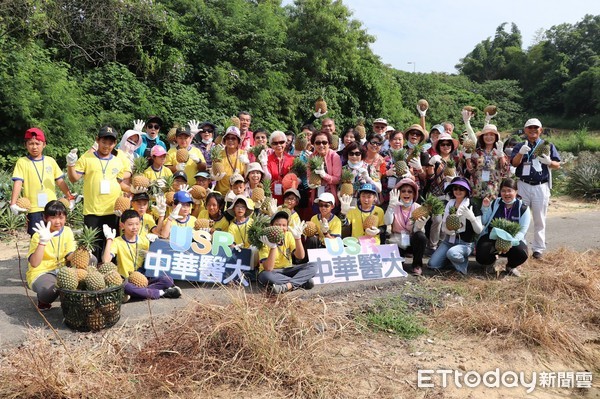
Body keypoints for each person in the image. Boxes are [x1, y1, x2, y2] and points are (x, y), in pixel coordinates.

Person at [67, 126, 130, 260]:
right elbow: (74, 178)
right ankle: (92, 275)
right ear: (97, 140)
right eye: (104, 142)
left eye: (110, 143)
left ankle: (108, 274)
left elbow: (119, 182)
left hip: (112, 211)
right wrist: (70, 165)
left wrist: (132, 190)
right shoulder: (87, 158)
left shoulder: (117, 161)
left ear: (115, 143)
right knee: (92, 248)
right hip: (92, 211)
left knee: (110, 245)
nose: (107, 146)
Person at [510, 118, 561, 259]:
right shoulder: (520, 145)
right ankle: (520, 245)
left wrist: (549, 162)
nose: (533, 130)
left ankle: (538, 248)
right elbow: (514, 164)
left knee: (540, 218)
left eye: (535, 128)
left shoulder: (547, 145)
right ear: (525, 130)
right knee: (520, 217)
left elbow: (558, 164)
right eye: (529, 128)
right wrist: (520, 153)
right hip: (523, 185)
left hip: (541, 185)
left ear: (541, 130)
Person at [102, 210, 181, 301]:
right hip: (126, 279)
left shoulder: (144, 240)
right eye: (130, 224)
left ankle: (137, 293)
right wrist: (109, 239)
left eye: (137, 224)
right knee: (127, 287)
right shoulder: (117, 241)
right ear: (122, 225)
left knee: (168, 280)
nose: (135, 227)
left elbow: (153, 261)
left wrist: (154, 245)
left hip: (143, 277)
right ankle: (162, 293)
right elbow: (106, 260)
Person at [11, 127, 75, 236]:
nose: (34, 147)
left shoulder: (50, 161)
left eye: (37, 143)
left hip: (52, 208)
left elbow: (60, 181)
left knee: (55, 236)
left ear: (44, 144)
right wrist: (13, 203)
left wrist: (70, 197)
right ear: (25, 145)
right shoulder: (22, 162)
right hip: (33, 209)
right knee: (36, 237)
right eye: (31, 143)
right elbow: (18, 182)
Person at [428, 177, 483, 275]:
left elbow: (479, 230)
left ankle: (461, 268)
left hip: (465, 243)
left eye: (461, 188)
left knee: (452, 253)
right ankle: (452, 260)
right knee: (432, 264)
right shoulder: (450, 203)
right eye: (455, 188)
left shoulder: (472, 205)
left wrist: (472, 218)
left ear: (466, 190)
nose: (458, 191)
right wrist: (447, 230)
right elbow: (444, 225)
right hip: (448, 241)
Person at [476, 178, 530, 277]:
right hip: (493, 238)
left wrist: (510, 242)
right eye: (503, 191)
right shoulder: (495, 203)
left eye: (510, 191)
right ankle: (490, 264)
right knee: (481, 252)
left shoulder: (523, 208)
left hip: (512, 240)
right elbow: (484, 221)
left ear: (516, 192)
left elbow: (522, 231)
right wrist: (485, 207)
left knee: (522, 252)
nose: (506, 194)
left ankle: (510, 266)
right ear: (500, 192)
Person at [27, 200, 76, 310]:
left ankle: (65, 295)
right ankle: (44, 299)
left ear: (66, 218)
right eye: (53, 218)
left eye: (61, 217)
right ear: (45, 218)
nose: (57, 221)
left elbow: (69, 254)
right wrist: (42, 242)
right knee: (48, 291)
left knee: (91, 259)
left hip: (62, 269)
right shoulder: (38, 235)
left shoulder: (67, 231)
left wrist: (81, 255)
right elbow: (34, 263)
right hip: (42, 272)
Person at [258, 211, 314, 294]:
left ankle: (287, 286)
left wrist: (298, 238)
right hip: (272, 272)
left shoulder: (288, 235)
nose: (281, 228)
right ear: (271, 226)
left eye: (284, 225)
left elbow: (300, 256)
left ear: (287, 227)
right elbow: (268, 268)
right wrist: (273, 247)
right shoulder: (264, 240)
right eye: (277, 225)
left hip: (287, 270)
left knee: (314, 265)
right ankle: (301, 282)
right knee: (266, 276)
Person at [384, 179, 428, 275]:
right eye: (403, 191)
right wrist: (391, 207)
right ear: (398, 193)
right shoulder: (394, 206)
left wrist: (419, 225)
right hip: (397, 240)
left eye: (409, 191)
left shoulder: (418, 208)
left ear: (414, 194)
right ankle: (401, 257)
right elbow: (387, 221)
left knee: (421, 236)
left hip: (412, 240)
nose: (406, 194)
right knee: (397, 265)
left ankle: (417, 265)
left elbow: (418, 231)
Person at [465, 124, 509, 206]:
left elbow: (505, 170)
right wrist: (467, 158)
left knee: (490, 217)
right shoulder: (476, 152)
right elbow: (471, 171)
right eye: (486, 134)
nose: (489, 137)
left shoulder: (499, 152)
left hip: (493, 192)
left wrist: (501, 155)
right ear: (482, 137)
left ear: (496, 137)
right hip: (476, 190)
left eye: (492, 135)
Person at [307, 130, 342, 209]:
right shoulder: (311, 157)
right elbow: (308, 175)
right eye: (318, 143)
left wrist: (324, 175)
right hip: (317, 197)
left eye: (324, 142)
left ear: (329, 144)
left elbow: (337, 179)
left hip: (330, 198)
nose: (321, 145)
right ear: (314, 144)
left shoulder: (334, 156)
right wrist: (310, 182)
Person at [213, 126, 249, 195]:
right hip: (221, 193)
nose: (230, 140)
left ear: (238, 140)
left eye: (233, 138)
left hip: (238, 193)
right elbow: (214, 172)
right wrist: (214, 177)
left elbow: (247, 176)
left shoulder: (243, 154)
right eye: (228, 138)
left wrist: (247, 164)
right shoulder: (219, 154)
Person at [266, 130, 295, 205]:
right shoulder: (267, 160)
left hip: (288, 196)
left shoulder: (291, 159)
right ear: (271, 145)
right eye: (275, 143)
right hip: (271, 196)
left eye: (281, 142)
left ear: (285, 143)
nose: (279, 145)